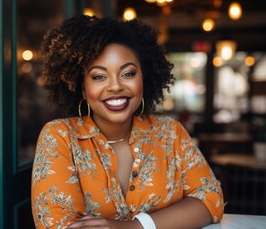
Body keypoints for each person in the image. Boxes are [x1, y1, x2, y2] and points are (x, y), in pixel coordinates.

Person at [31, 15, 224, 229]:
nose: (115, 86)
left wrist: (134, 227)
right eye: (98, 77)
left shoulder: (170, 132)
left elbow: (211, 199)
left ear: (144, 77)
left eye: (128, 73)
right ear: (82, 88)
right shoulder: (60, 136)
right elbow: (56, 224)